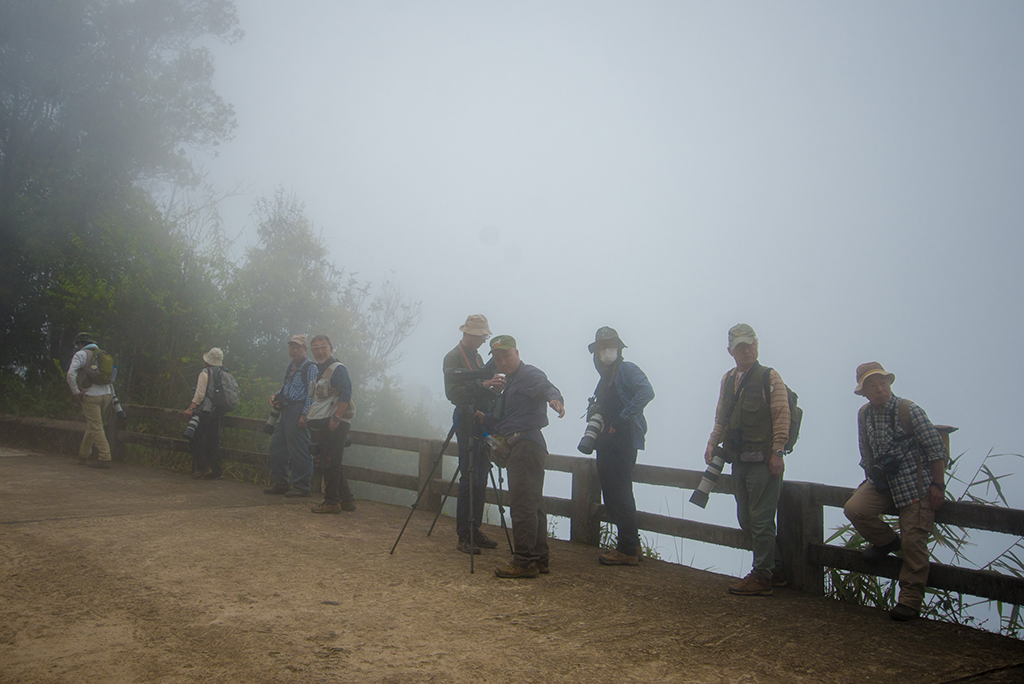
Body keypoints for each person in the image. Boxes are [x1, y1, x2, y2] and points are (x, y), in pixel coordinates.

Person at [844, 362, 947, 622]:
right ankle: (888, 542)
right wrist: (870, 478)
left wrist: (938, 485)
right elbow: (866, 453)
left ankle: (909, 602)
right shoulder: (864, 414)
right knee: (854, 509)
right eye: (872, 386)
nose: (880, 389)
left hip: (915, 484)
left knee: (913, 543)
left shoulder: (908, 410)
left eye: (883, 383)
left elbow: (936, 449)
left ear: (889, 384)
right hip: (884, 484)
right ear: (864, 392)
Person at [704, 323, 790, 596]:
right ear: (731, 351)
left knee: (761, 520)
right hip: (738, 461)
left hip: (764, 462)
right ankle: (776, 570)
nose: (747, 350)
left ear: (757, 345)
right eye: (740, 347)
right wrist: (712, 441)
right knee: (746, 518)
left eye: (750, 345)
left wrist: (778, 452)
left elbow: (782, 415)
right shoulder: (729, 380)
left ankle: (762, 577)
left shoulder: (769, 376)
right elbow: (722, 415)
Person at [479, 335, 565, 579]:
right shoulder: (511, 382)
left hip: (525, 446)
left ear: (517, 353)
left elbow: (546, 387)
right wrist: (484, 418)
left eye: (507, 356)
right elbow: (509, 418)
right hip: (522, 445)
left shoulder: (528, 374)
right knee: (533, 503)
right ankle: (539, 558)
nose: (503, 362)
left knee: (522, 504)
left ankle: (524, 561)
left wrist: (555, 400)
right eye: (498, 359)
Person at [587, 326, 655, 566]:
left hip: (623, 441)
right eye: (601, 347)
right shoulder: (605, 377)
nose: (606, 351)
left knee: (620, 493)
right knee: (611, 493)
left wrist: (622, 418)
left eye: (610, 346)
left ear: (618, 347)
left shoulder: (627, 369)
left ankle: (626, 549)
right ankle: (631, 544)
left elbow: (647, 392)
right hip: (606, 442)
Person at [442, 314, 506, 554]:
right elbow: (454, 394)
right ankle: (464, 534)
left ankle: (475, 528)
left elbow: (480, 389)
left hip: (482, 420)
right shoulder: (453, 357)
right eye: (481, 336)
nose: (482, 341)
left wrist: (493, 387)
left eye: (484, 337)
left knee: (481, 475)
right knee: (469, 476)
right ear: (468, 334)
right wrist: (482, 385)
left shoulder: (478, 357)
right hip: (466, 419)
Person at [308, 335, 357, 514]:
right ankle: (346, 500)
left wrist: (336, 418)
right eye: (316, 348)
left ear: (331, 348)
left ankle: (332, 501)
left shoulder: (338, 369)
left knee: (329, 462)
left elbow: (346, 394)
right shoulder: (321, 370)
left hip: (336, 421)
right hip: (327, 420)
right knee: (332, 460)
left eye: (323, 347)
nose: (320, 351)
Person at [264, 335, 317, 497]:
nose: (294, 350)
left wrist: (305, 414)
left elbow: (312, 393)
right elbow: (287, 386)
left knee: (299, 450)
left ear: (305, 349)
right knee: (276, 447)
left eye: (298, 347)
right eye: (292, 347)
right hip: (287, 409)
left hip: (299, 409)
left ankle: (302, 487)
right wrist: (276, 395)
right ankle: (281, 484)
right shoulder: (292, 365)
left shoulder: (310, 367)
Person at [66, 332, 117, 468]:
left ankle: (105, 457)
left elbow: (70, 374)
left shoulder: (80, 355)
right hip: (107, 394)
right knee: (93, 424)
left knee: (95, 426)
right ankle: (83, 455)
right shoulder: (102, 354)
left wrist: (76, 391)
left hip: (91, 395)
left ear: (80, 344)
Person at [184, 347, 227, 480]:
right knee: (212, 441)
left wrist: (191, 408)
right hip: (217, 411)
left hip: (206, 411)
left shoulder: (205, 373)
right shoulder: (222, 373)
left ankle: (203, 467)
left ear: (207, 361)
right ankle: (217, 471)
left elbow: (200, 394)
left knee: (194, 438)